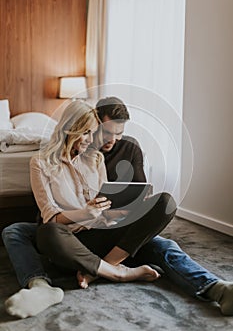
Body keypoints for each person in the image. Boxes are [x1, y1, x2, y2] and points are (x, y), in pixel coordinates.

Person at [2, 97, 233, 318]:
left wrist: (112, 213)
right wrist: (86, 213)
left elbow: (104, 204)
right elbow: (50, 216)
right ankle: (117, 273)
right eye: (89, 132)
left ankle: (217, 288)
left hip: (102, 233)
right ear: (70, 129)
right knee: (44, 232)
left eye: (93, 133)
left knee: (163, 215)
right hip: (70, 238)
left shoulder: (96, 159)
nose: (92, 139)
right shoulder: (40, 163)